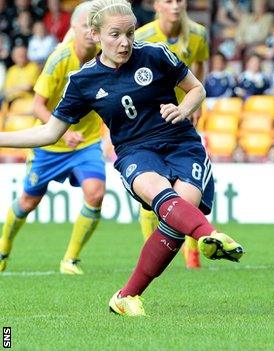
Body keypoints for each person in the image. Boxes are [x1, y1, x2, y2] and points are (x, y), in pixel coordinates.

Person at [0, 0, 243, 316]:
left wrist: (184, 109)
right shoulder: (83, 80)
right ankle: (209, 235)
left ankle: (126, 297)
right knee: (165, 198)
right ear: (96, 35)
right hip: (135, 151)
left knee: (177, 217)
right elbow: (48, 133)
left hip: (181, 143)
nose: (125, 42)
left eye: (129, 33)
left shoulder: (155, 55)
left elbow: (196, 88)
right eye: (115, 34)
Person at [0, 2, 106, 276]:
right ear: (73, 28)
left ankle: (70, 259)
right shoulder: (59, 59)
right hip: (50, 143)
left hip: (86, 140)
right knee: (28, 202)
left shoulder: (105, 58)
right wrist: (63, 129)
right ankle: (4, 245)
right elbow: (37, 106)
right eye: (85, 26)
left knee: (95, 193)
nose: (90, 32)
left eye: (94, 27)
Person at [135, 0, 210, 269]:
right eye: (168, 1)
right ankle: (152, 248)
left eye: (179, 0)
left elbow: (200, 68)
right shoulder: (142, 37)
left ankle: (192, 254)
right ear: (157, 5)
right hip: (150, 122)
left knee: (189, 185)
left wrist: (193, 105)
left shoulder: (198, 34)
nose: (175, 5)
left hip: (183, 119)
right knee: (152, 190)